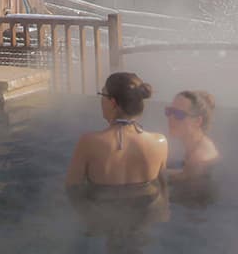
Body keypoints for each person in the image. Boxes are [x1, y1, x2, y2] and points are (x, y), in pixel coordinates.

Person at [65, 71, 168, 201]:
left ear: (113, 102)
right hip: (145, 214)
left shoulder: (89, 142)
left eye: (102, 94)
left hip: (101, 215)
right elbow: (164, 190)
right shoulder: (160, 142)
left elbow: (72, 188)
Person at [164, 90, 219, 182]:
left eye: (178, 114)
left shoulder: (199, 159)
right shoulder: (197, 145)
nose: (170, 118)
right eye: (169, 111)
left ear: (197, 121)